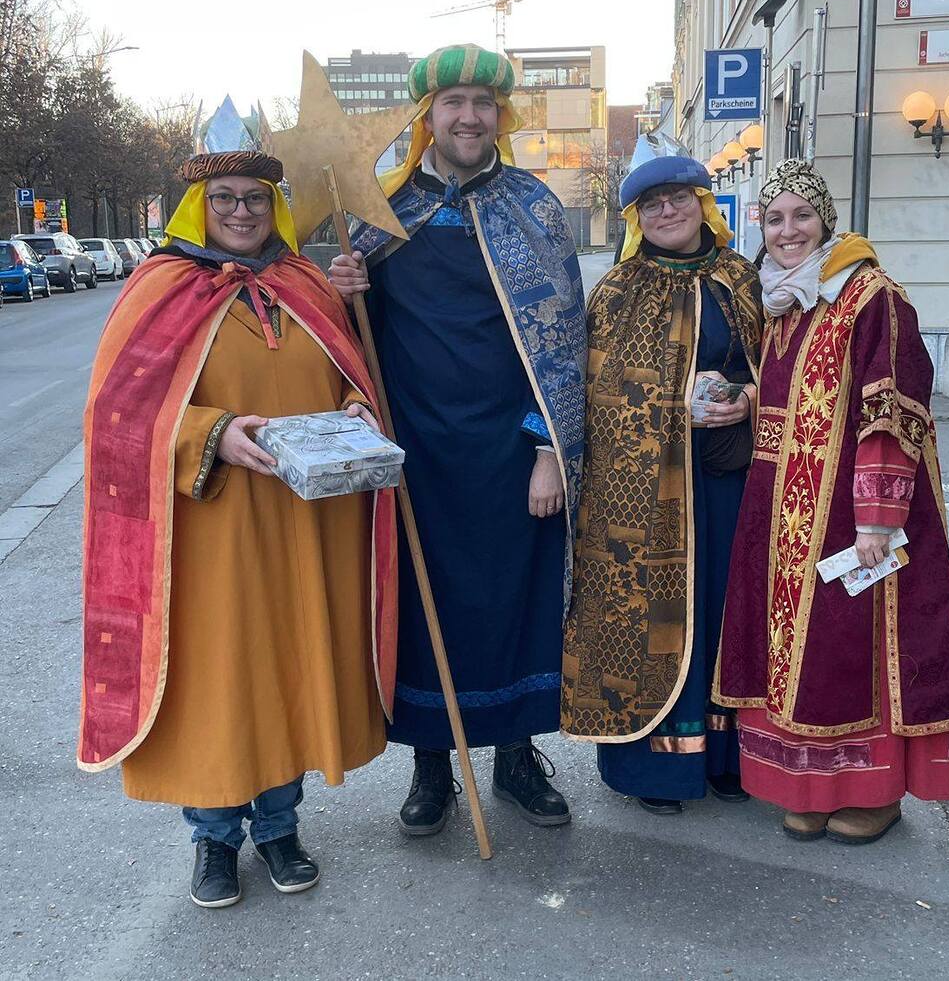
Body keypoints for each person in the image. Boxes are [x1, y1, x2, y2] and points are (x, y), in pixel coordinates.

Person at [78, 136, 397, 908]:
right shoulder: (161, 287)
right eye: (225, 198)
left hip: (306, 522)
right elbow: (119, 412)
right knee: (221, 674)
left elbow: (349, 370)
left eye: (256, 198)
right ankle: (215, 837)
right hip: (213, 523)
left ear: (274, 207)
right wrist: (212, 433)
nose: (242, 212)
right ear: (199, 206)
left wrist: (357, 406)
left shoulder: (305, 281)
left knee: (291, 663)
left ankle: (280, 826)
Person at [329, 44, 586, 836]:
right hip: (417, 454)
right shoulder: (380, 210)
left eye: (481, 102)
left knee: (514, 600)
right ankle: (431, 765)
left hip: (510, 450)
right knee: (422, 603)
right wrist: (342, 290)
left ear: (499, 115)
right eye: (453, 102)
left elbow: (564, 337)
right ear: (428, 114)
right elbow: (347, 339)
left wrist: (547, 450)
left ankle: (515, 756)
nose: (468, 116)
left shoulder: (535, 207)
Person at [714, 158, 949, 844]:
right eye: (775, 219)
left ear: (827, 220)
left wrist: (878, 518)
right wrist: (744, 399)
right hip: (780, 509)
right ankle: (805, 785)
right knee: (794, 656)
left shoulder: (870, 296)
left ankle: (873, 790)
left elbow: (892, 408)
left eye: (802, 215)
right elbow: (790, 395)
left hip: (848, 514)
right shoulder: (784, 299)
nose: (788, 230)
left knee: (850, 653)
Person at [561, 138, 764, 813]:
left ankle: (729, 757)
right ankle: (654, 770)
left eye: (679, 198)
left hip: (726, 479)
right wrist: (670, 411)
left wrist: (747, 398)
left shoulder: (741, 279)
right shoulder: (618, 291)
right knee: (651, 617)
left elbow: (779, 365)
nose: (667, 211)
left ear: (702, 204)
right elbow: (596, 393)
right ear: (636, 219)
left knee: (726, 605)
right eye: (652, 205)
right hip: (643, 490)